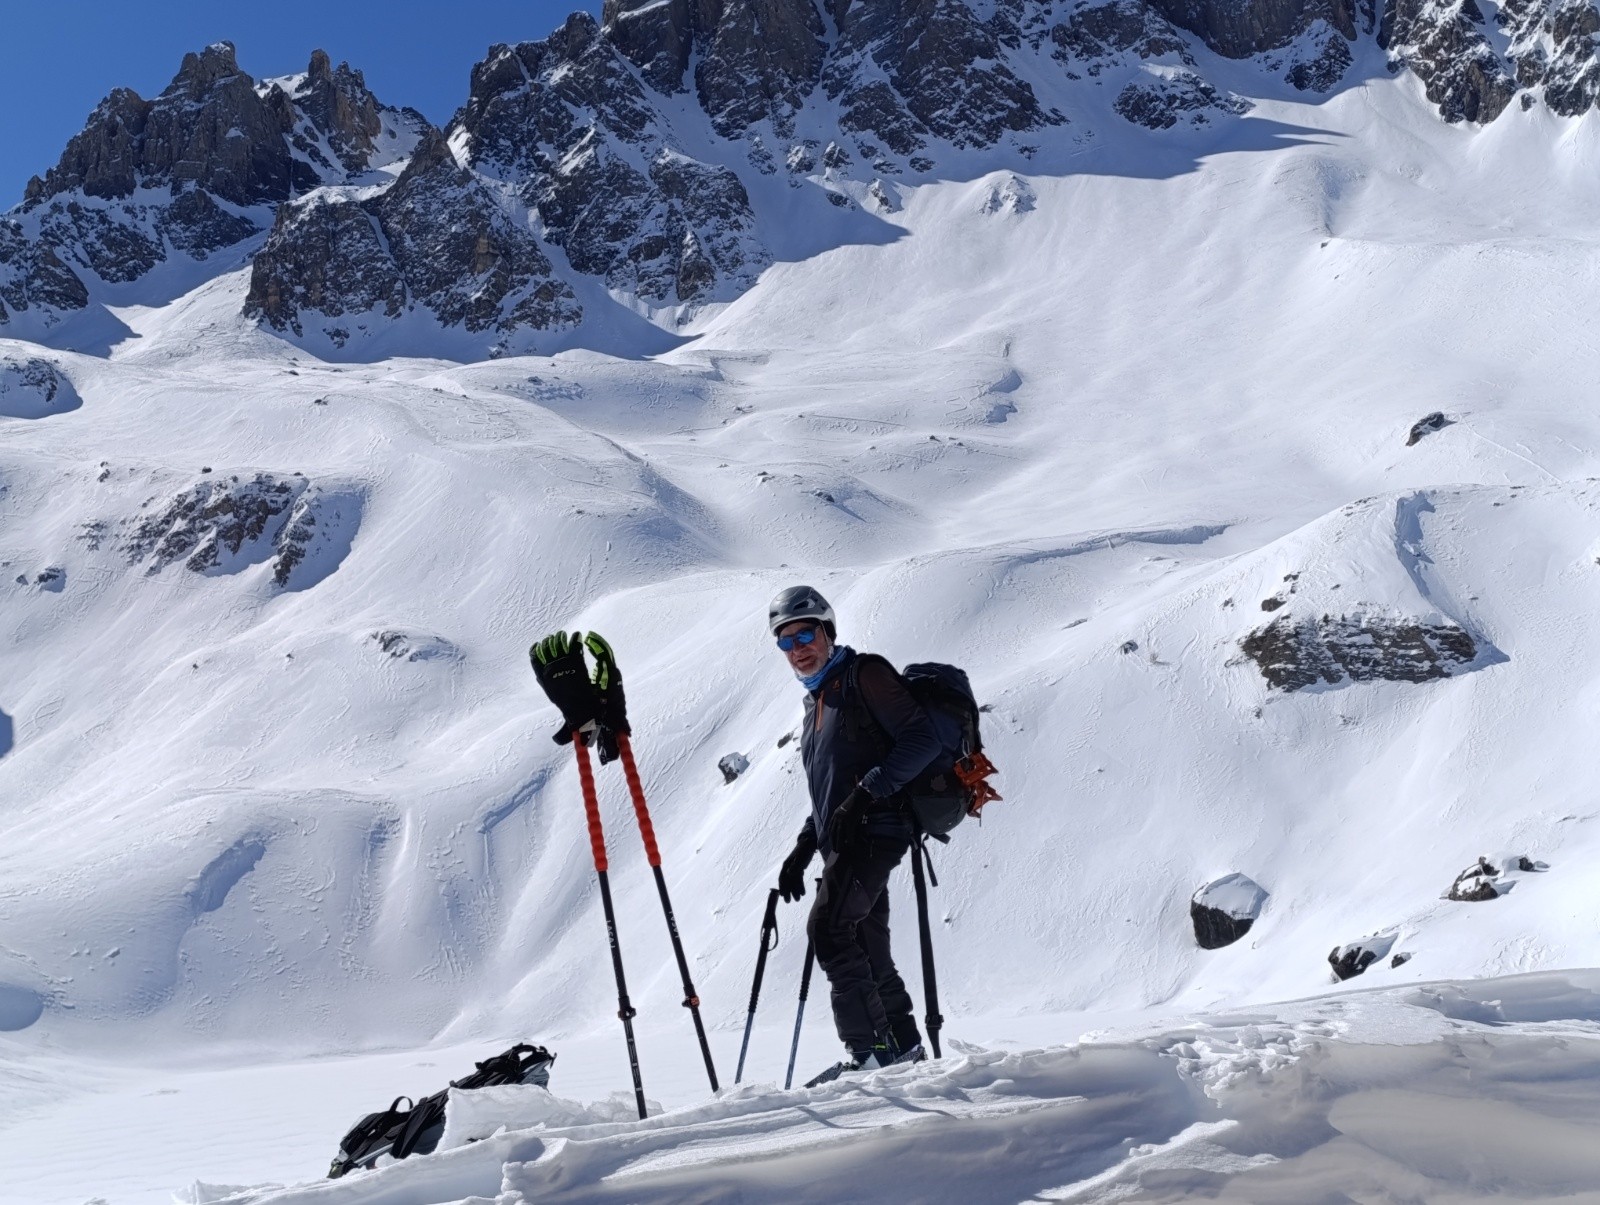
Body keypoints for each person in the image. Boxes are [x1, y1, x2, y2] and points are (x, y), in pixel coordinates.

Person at [768, 585, 943, 1084]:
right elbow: (830, 792)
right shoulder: (817, 704)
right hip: (844, 838)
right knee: (866, 943)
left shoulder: (864, 673)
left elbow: (921, 740)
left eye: (806, 634)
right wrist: (803, 849)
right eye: (786, 641)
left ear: (828, 632)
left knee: (829, 929)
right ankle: (904, 1048)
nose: (798, 647)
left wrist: (867, 794)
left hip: (876, 828)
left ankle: (869, 1054)